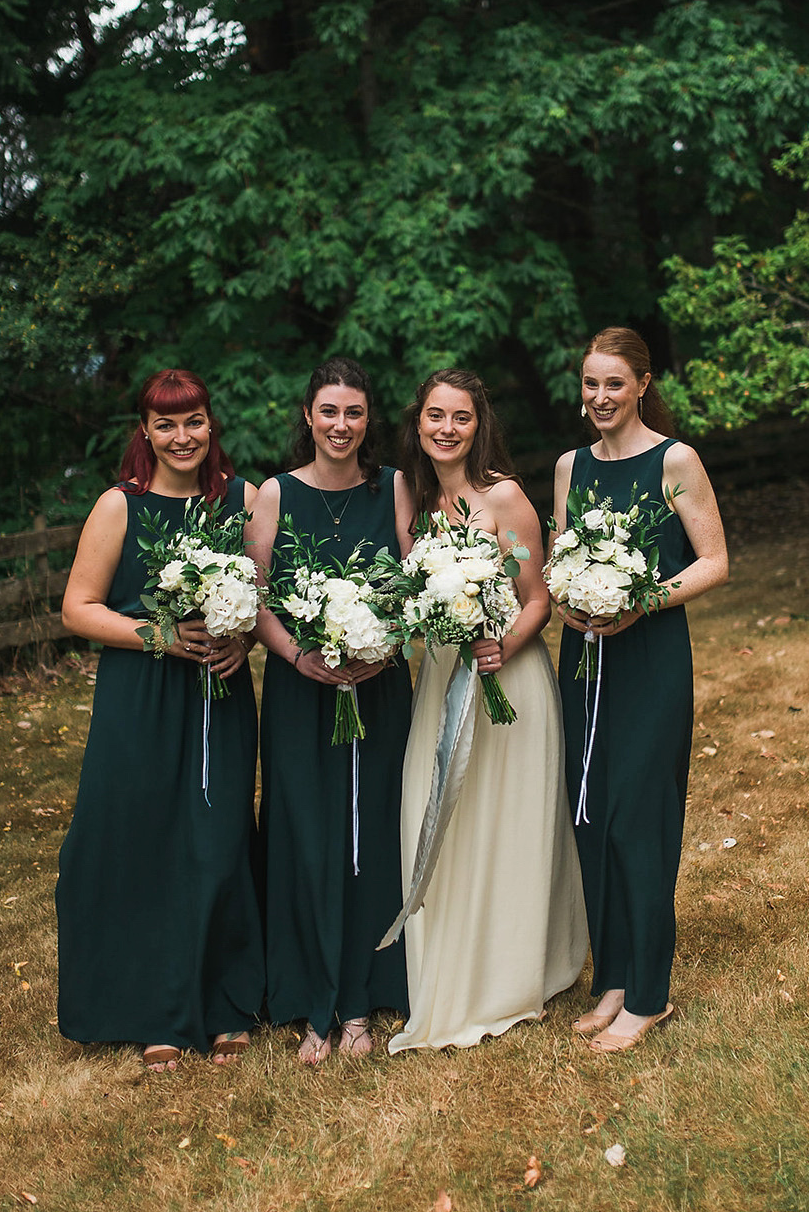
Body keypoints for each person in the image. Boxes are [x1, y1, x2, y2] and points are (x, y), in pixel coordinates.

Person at [56, 369, 265, 1072]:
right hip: (140, 696)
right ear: (144, 431)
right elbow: (78, 607)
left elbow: (267, 596)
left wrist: (239, 634)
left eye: (195, 421)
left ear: (212, 425)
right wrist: (159, 636)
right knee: (142, 841)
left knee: (218, 839)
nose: (183, 437)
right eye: (167, 424)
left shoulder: (243, 500)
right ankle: (156, 1012)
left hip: (220, 693)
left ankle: (229, 1002)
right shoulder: (121, 506)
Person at [387, 369, 588, 1053]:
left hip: (511, 682)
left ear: (480, 426)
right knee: (435, 810)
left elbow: (539, 596)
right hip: (443, 681)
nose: (447, 428)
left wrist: (504, 644)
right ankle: (447, 969)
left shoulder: (504, 497)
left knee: (503, 822)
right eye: (435, 416)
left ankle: (507, 974)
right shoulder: (415, 505)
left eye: (461, 418)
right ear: (419, 423)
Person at [553, 327, 728, 1053]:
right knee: (591, 816)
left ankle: (649, 994)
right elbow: (562, 555)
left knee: (641, 819)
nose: (600, 397)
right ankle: (613, 977)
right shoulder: (569, 465)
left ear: (643, 385)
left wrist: (642, 601)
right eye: (591, 383)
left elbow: (716, 561)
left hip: (650, 654)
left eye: (614, 384)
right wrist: (568, 600)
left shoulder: (674, 459)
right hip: (585, 658)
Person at [247, 358, 412, 1063]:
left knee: (376, 831)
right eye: (328, 412)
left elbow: (415, 587)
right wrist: (295, 655)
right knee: (306, 832)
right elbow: (249, 595)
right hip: (299, 692)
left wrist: (388, 645)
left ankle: (363, 1003)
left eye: (353, 413)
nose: (340, 425)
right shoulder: (277, 494)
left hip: (379, 686)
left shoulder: (395, 487)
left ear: (368, 420)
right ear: (308, 417)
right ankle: (314, 1000)